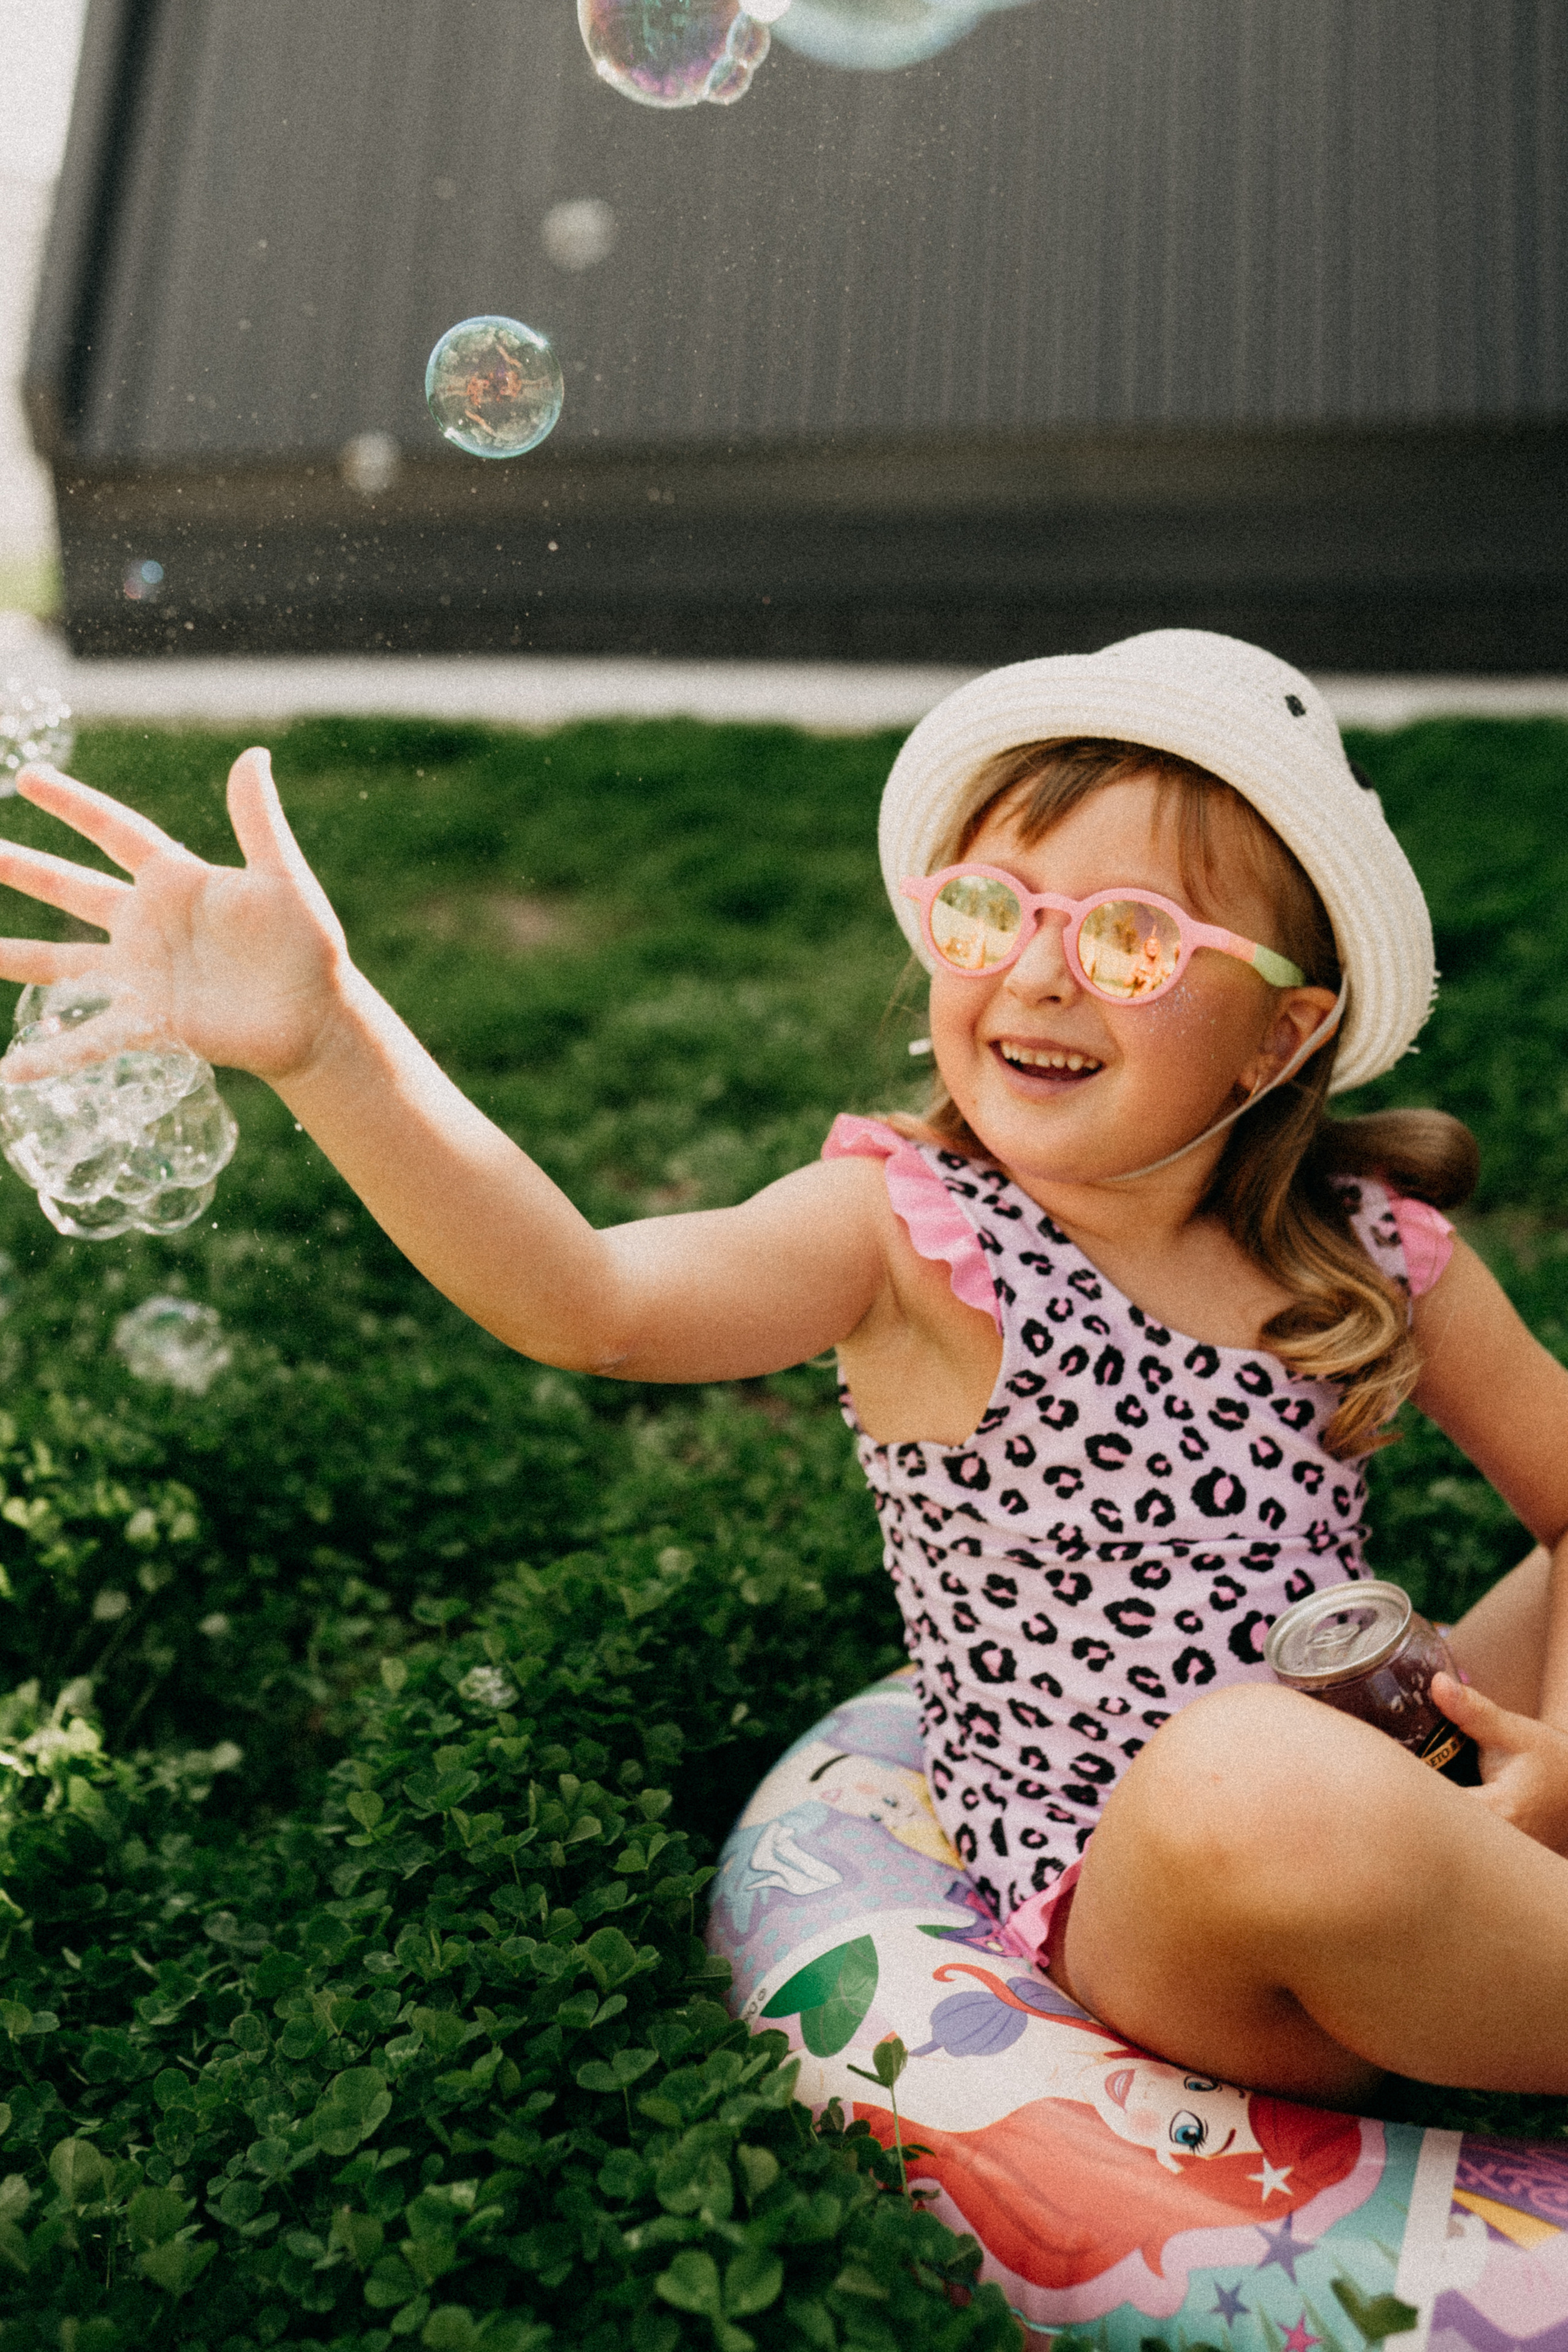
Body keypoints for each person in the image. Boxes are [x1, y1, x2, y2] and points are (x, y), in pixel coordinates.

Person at [4, 628, 1568, 2108]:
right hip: (1166, 1904)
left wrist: (1531, 1769)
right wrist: (326, 1039)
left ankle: (1498, 1881)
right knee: (1252, 1773)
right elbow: (589, 1298)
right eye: (989, 912)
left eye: (1130, 940)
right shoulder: (906, 1235)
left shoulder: (1364, 1247)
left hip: (1396, 1795)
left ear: (1279, 1041)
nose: (1034, 976)